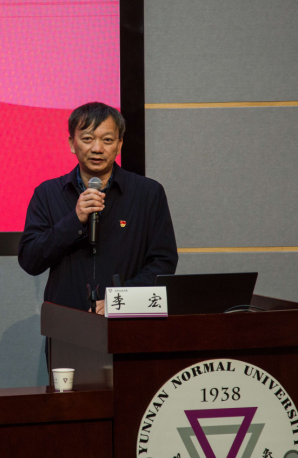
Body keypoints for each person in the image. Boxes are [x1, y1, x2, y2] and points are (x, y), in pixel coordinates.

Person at [18, 102, 178, 315]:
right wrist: (75, 220)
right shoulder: (47, 194)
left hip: (126, 321)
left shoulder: (148, 193)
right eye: (87, 139)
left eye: (107, 140)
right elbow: (30, 260)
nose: (97, 148)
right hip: (67, 322)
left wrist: (121, 299)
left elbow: (163, 262)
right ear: (72, 143)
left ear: (119, 145)